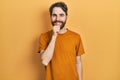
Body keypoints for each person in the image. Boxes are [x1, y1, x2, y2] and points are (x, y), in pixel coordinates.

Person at [38, 2, 85, 80]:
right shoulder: (44, 37)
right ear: (50, 16)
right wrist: (54, 36)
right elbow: (45, 61)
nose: (57, 19)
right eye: (54, 15)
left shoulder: (76, 37)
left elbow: (78, 62)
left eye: (61, 15)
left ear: (66, 16)